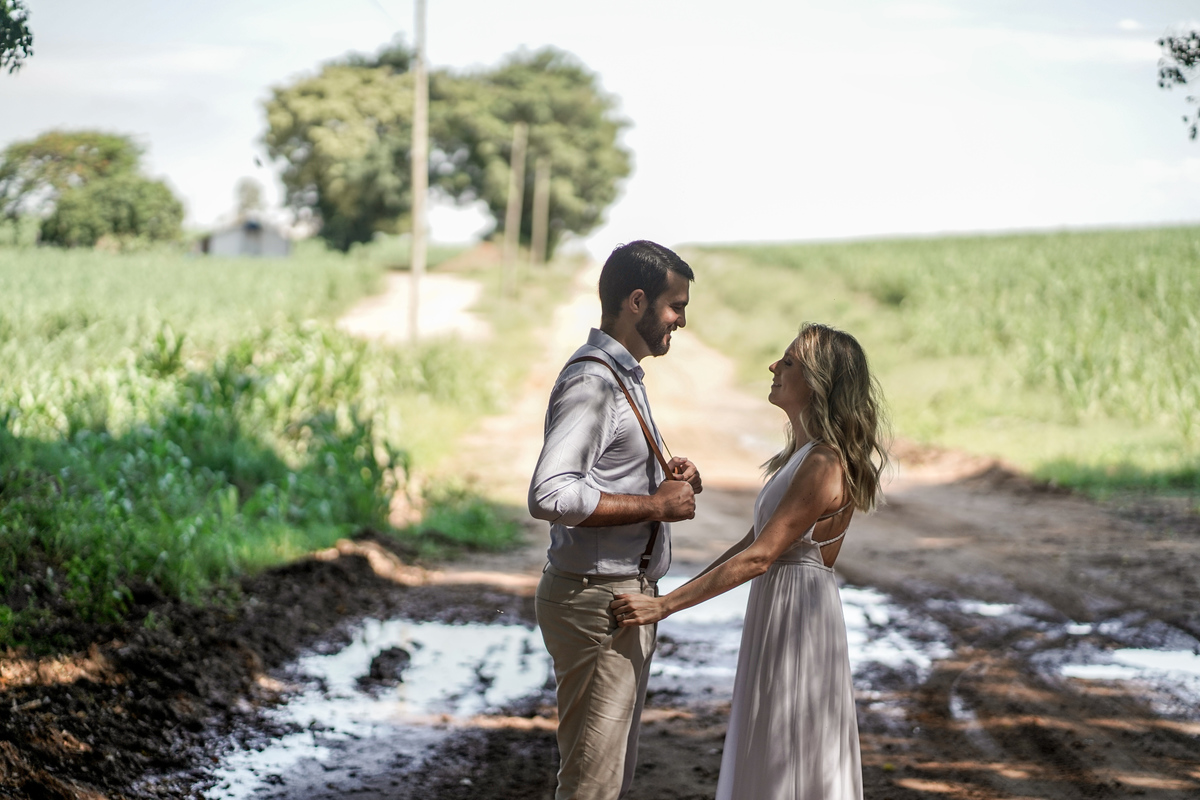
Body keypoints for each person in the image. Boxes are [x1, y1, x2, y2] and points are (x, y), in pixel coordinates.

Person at [611, 322, 889, 800]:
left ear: (818, 382)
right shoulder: (802, 455)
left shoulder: (823, 463)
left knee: (789, 744)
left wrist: (665, 607)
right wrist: (669, 594)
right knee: (771, 739)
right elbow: (749, 544)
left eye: (789, 361)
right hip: (782, 606)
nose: (774, 366)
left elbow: (760, 557)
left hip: (799, 616)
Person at [528, 240, 705, 800]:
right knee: (592, 786)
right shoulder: (595, 382)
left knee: (606, 780)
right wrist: (656, 506)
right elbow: (551, 493)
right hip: (597, 603)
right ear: (637, 301)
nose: (681, 320)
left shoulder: (621, 374)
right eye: (675, 306)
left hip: (614, 601)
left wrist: (666, 478)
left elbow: (602, 473)